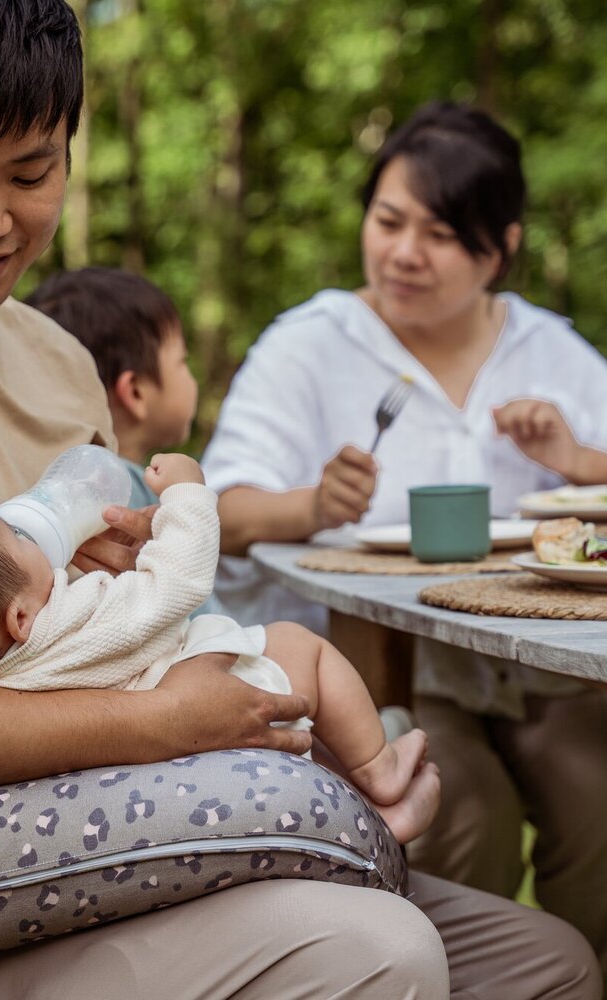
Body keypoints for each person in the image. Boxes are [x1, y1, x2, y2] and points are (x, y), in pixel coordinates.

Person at [0, 0, 600, 992]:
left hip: (159, 830)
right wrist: (167, 723)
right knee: (381, 955)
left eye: (32, 174)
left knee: (547, 963)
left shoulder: (50, 355)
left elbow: (134, 601)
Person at [202, 99, 607, 987]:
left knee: (597, 799)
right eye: (387, 222)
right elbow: (217, 511)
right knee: (462, 805)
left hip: (550, 666)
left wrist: (578, 459)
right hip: (383, 666)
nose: (403, 252)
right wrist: (308, 503)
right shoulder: (313, 344)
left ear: (499, 249)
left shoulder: (551, 350)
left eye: (439, 233)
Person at [0, 453, 440, 845]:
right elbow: (177, 586)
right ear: (18, 617)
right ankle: (377, 778)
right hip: (219, 716)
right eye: (10, 534)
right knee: (299, 645)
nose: (23, 524)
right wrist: (190, 499)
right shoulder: (73, 619)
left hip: (154, 788)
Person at [26, 268, 198, 508]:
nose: (192, 379)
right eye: (182, 361)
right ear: (135, 392)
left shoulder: (46, 482)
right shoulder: (139, 496)